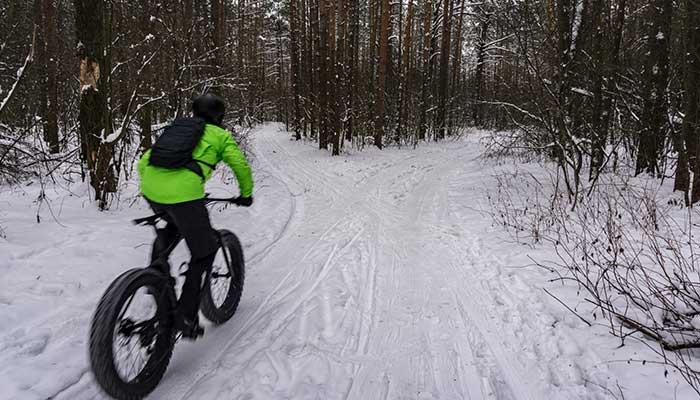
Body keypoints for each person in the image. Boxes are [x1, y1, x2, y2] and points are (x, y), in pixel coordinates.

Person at [137, 93, 254, 337]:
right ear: (219, 116)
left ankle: (157, 278)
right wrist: (245, 194)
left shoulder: (177, 128)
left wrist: (159, 185)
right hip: (186, 195)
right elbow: (239, 165)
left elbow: (144, 161)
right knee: (206, 250)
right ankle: (186, 316)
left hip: (151, 189)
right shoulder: (219, 135)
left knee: (171, 225)